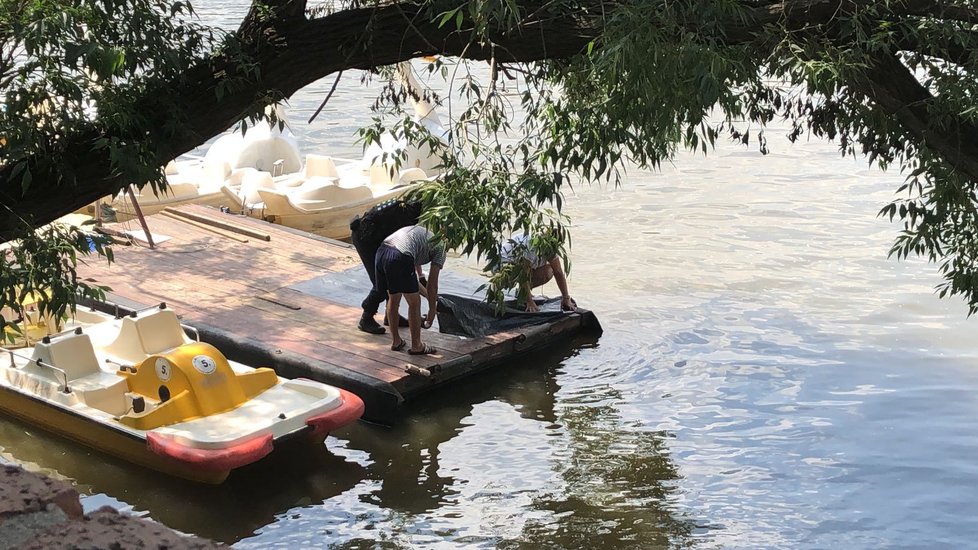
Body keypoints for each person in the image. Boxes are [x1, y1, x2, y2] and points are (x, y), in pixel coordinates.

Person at [350, 200, 422, 334]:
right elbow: (407, 248)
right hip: (365, 238)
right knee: (381, 283)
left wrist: (420, 274)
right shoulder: (406, 217)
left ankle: (391, 315)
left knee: (393, 277)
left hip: (376, 236)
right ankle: (366, 318)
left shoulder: (407, 208)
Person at [374, 225, 444, 355]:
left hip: (382, 251)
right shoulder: (441, 247)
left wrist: (430, 298)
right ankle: (417, 345)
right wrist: (432, 309)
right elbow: (432, 284)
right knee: (414, 302)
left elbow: (410, 281)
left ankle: (396, 341)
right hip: (400, 255)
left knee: (393, 298)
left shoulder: (425, 235)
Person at [500, 233, 576, 313]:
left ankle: (522, 291)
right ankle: (524, 294)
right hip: (503, 266)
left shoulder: (551, 248)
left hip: (519, 266)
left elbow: (558, 272)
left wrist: (566, 298)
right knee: (521, 273)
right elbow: (523, 274)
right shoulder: (532, 247)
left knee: (549, 271)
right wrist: (529, 301)